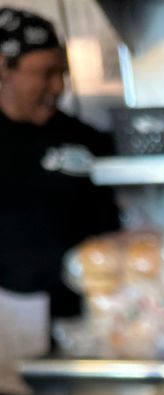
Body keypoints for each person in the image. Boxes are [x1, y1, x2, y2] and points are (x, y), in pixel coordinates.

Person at [0, 7, 119, 321]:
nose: (59, 87)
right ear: (3, 68)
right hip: (8, 328)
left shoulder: (84, 139)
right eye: (47, 73)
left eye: (63, 73)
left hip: (90, 319)